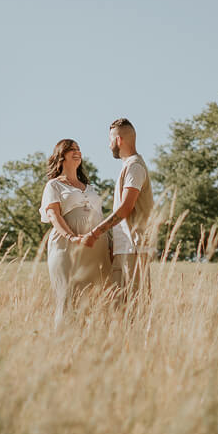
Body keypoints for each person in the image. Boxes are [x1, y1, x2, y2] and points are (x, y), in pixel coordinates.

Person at [79, 118, 154, 303]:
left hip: (134, 248)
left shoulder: (134, 167)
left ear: (119, 140)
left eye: (110, 139)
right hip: (124, 248)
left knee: (134, 308)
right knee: (119, 308)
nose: (109, 144)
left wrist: (96, 233)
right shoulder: (128, 166)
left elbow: (125, 208)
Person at [39, 139, 111, 328]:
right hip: (67, 248)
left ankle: (87, 348)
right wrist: (72, 237)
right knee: (68, 298)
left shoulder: (90, 188)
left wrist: (109, 244)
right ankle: (62, 346)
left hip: (95, 249)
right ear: (61, 156)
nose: (77, 152)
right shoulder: (54, 186)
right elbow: (53, 214)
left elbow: (101, 218)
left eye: (79, 149)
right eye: (72, 149)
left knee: (93, 300)